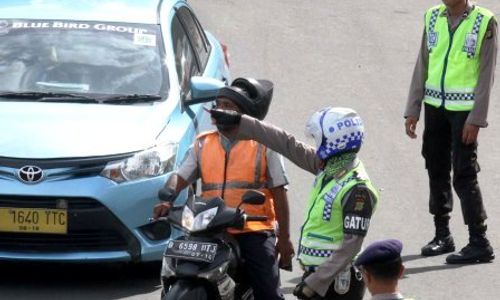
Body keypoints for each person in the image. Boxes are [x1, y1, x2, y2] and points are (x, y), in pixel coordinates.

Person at [210, 106, 379, 299]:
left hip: (337, 284)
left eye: (319, 139)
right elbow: (286, 143)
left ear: (333, 142)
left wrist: (315, 283)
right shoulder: (330, 168)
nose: (316, 145)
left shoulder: (358, 190)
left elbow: (351, 246)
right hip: (319, 278)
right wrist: (241, 121)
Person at [153, 77, 294, 300]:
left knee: (268, 291)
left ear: (244, 114)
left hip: (252, 228)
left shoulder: (264, 144)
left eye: (228, 106)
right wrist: (167, 197)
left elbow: (279, 192)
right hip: (208, 228)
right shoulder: (202, 143)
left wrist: (284, 240)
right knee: (173, 271)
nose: (220, 109)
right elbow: (180, 176)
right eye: (218, 104)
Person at [404, 0, 496, 264]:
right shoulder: (433, 16)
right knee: (436, 169)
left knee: (464, 174)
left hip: (464, 113)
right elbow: (423, 62)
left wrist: (477, 118)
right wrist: (413, 107)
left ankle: (479, 241)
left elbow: (487, 73)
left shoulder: (483, 21)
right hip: (435, 107)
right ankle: (442, 234)